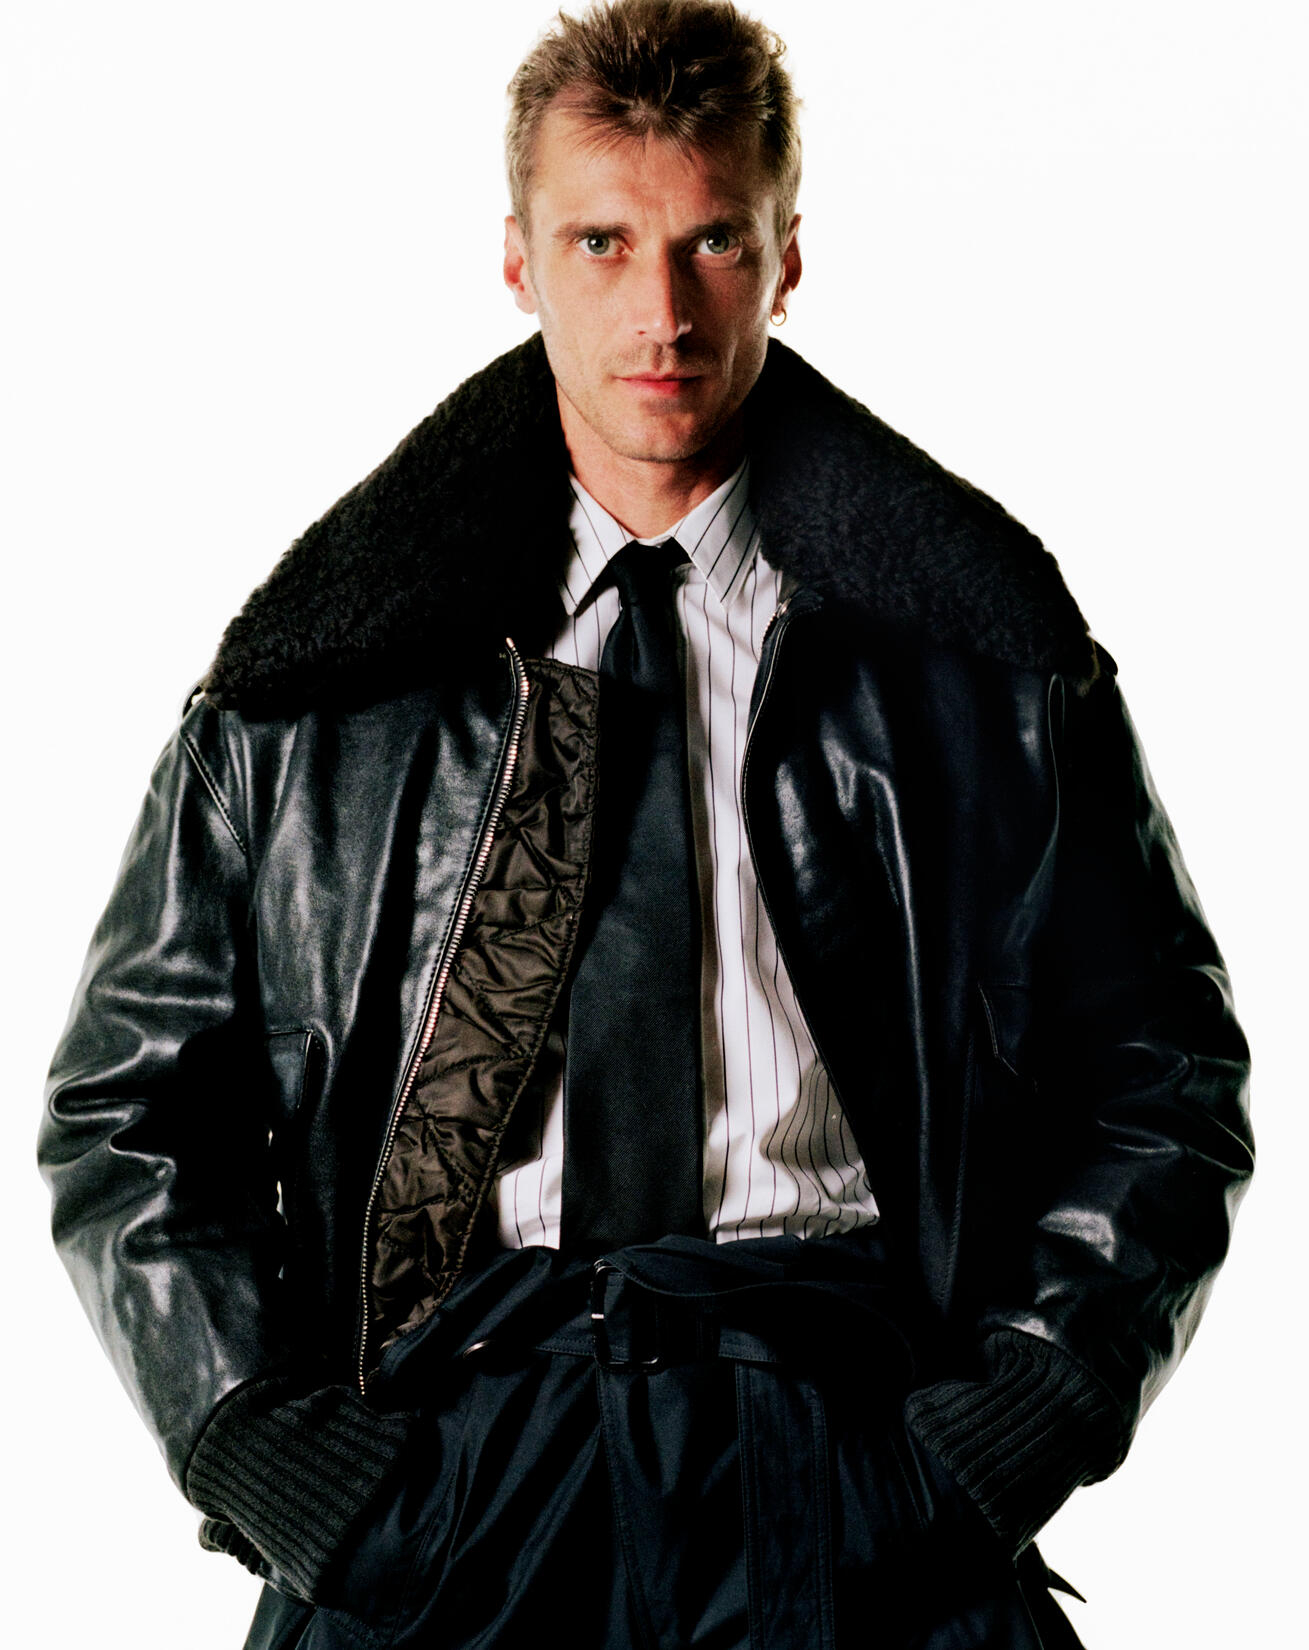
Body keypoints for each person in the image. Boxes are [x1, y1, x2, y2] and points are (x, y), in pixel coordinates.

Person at [39, 2, 1253, 1646]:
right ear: (518, 263)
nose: (660, 313)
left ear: (784, 258)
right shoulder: (314, 687)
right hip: (457, 1450)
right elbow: (127, 1108)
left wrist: (1014, 1419)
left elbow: (1161, 1076)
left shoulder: (983, 666)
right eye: (601, 243)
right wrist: (267, 1445)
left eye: (711, 243)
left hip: (847, 1438)